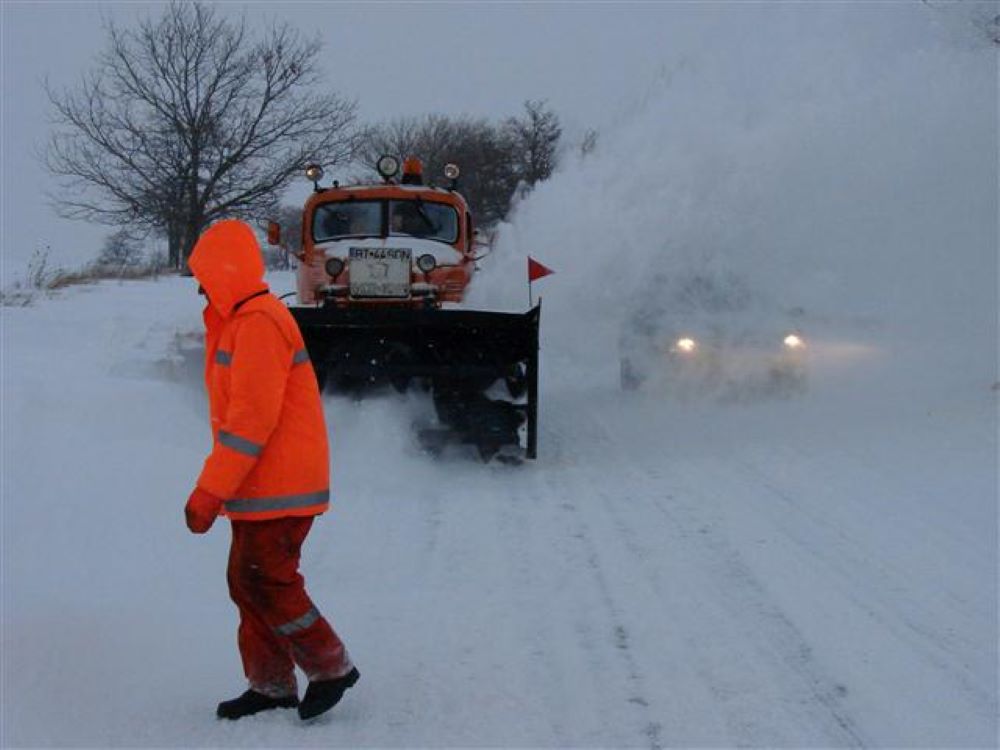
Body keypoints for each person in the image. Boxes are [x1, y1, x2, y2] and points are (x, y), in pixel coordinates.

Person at [185, 219, 359, 721]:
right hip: (261, 487)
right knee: (246, 581)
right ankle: (271, 685)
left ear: (226, 272)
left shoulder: (259, 323)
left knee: (267, 580)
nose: (199, 286)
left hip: (281, 485)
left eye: (204, 275)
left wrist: (208, 492)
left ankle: (330, 665)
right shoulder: (240, 321)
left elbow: (249, 425)